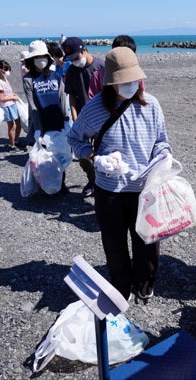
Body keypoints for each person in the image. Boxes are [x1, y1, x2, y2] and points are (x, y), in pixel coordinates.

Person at [67, 47, 172, 301]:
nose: (129, 85)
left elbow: (161, 141)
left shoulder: (152, 105)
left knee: (147, 241)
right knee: (114, 244)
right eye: (123, 82)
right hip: (109, 190)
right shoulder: (93, 109)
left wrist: (165, 155)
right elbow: (74, 138)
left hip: (144, 189)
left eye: (133, 80)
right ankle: (121, 288)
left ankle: (145, 283)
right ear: (110, 82)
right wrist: (95, 158)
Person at [62, 36, 105, 197]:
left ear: (84, 50)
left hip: (102, 120)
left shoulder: (101, 66)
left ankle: (104, 184)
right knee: (82, 154)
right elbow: (71, 96)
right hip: (82, 119)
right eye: (70, 59)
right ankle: (92, 179)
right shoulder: (72, 70)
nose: (74, 61)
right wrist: (74, 117)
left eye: (76, 57)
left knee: (104, 153)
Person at [0, 59, 24, 151]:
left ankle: (16, 140)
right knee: (11, 126)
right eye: (6, 69)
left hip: (12, 104)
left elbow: (8, 92)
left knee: (19, 123)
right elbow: (1, 98)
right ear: (0, 70)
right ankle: (12, 145)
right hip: (6, 106)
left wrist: (12, 96)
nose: (8, 72)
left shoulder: (4, 79)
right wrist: (12, 97)